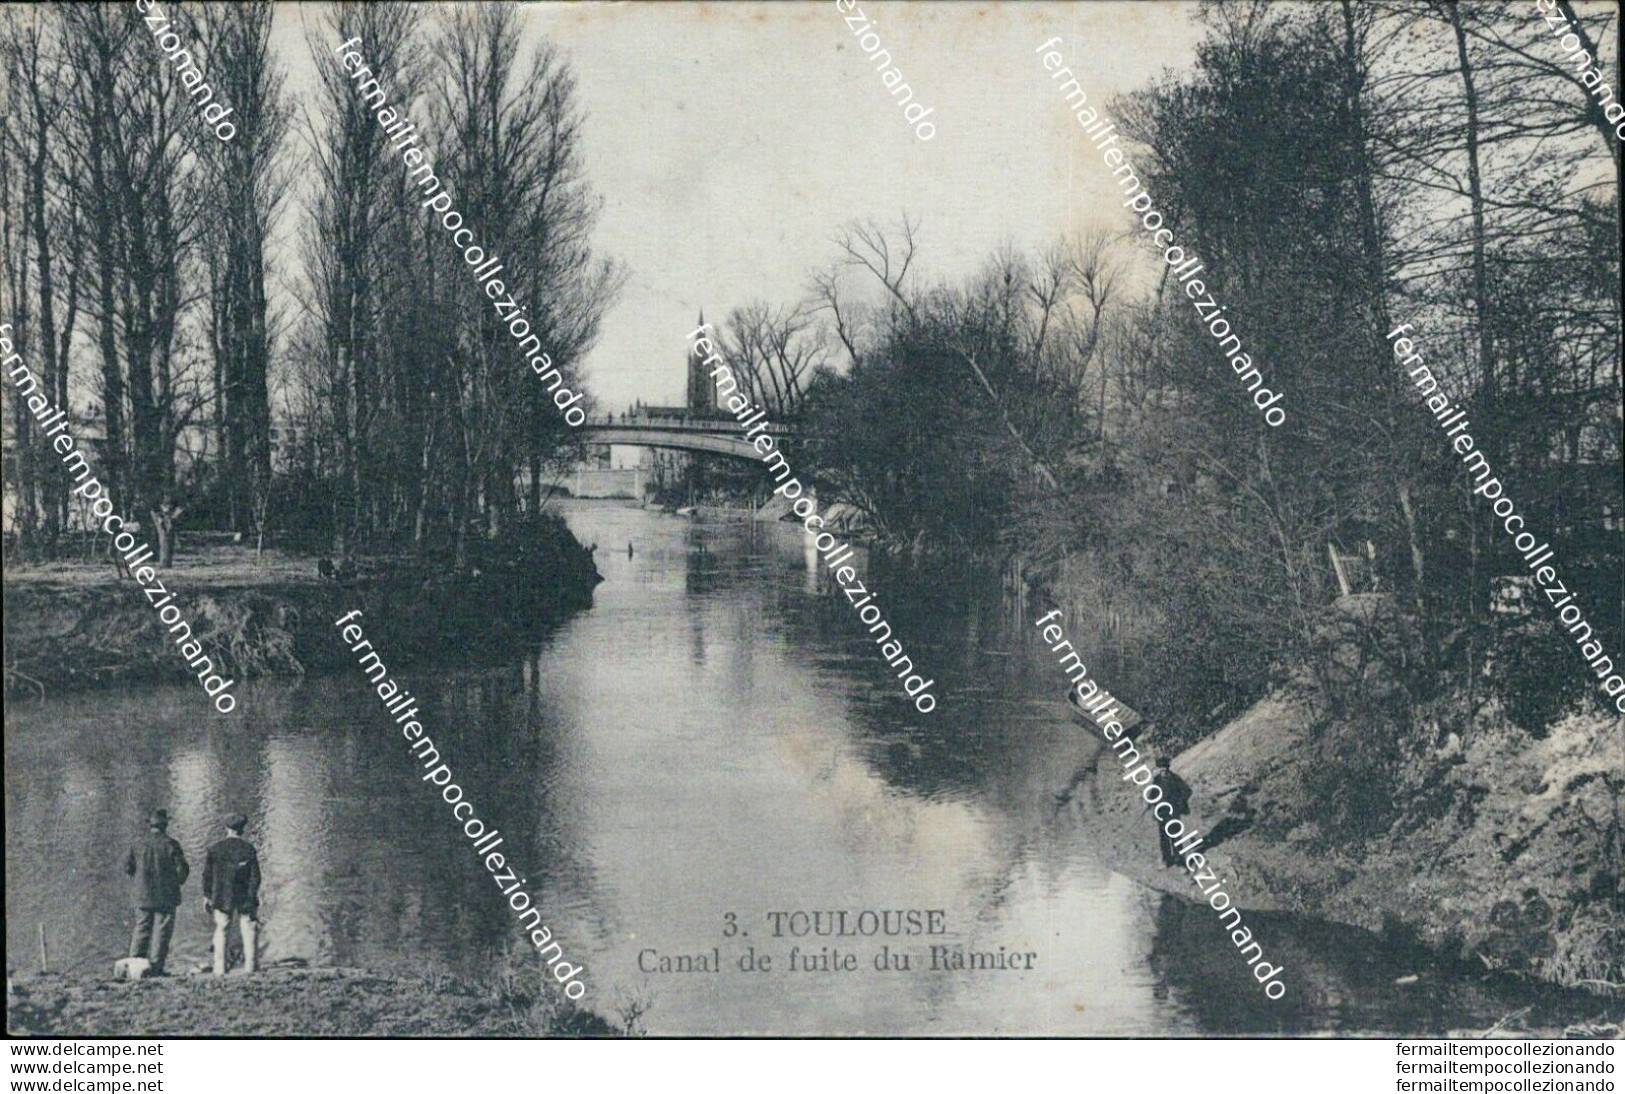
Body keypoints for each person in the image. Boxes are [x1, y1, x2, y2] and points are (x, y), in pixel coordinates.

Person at [124, 809, 189, 974]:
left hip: (142, 895)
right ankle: (156, 968)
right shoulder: (171, 844)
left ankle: (134, 967)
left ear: (150, 825)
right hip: (165, 896)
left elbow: (127, 867)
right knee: (162, 931)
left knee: (141, 928)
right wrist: (177, 882)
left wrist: (139, 880)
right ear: (165, 825)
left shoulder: (137, 843)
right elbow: (182, 870)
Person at [203, 813, 261, 976]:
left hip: (222, 895)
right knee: (249, 929)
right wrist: (252, 895)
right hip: (244, 896)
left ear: (226, 828)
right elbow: (255, 877)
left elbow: (207, 876)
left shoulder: (214, 850)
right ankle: (251, 967)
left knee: (222, 929)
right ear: (242, 829)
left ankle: (219, 968)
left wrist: (207, 896)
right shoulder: (248, 849)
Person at [1150, 756, 1192, 867]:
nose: (1163, 770)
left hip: (1173, 813)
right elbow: (1153, 795)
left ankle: (1180, 861)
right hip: (1161, 812)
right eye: (1161, 768)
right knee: (1163, 837)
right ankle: (1166, 859)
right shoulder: (1157, 780)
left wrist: (1179, 803)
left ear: (1168, 767)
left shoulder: (1175, 779)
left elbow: (1187, 791)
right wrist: (1152, 804)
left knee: (1175, 836)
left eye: (1165, 767)